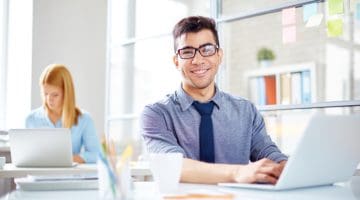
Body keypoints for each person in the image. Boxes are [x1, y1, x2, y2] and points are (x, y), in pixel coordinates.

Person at [140, 16, 287, 184]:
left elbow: (269, 153)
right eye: (187, 52)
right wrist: (238, 172)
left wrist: (286, 167)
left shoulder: (246, 111)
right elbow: (172, 166)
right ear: (176, 61)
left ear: (219, 55)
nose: (198, 60)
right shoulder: (156, 114)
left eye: (207, 49)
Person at [26, 64, 100, 163]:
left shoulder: (84, 119)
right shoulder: (31, 119)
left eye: (55, 95)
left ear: (66, 93)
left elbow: (95, 155)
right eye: (45, 93)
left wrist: (68, 160)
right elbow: (26, 156)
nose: (49, 99)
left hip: (69, 177)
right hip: (39, 177)